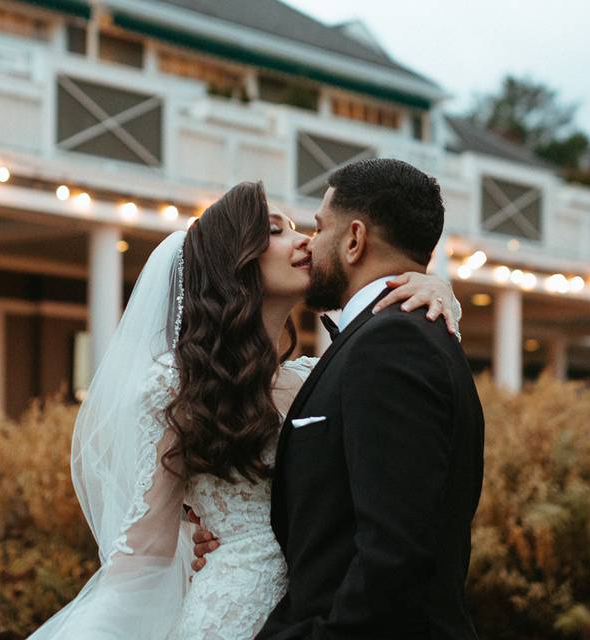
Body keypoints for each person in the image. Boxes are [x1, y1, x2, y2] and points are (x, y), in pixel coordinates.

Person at [28, 178, 461, 639]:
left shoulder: (321, 374)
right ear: (233, 259)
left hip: (319, 613)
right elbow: (142, 554)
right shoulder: (177, 383)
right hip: (231, 614)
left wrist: (434, 285)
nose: (304, 241)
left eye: (300, 227)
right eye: (275, 230)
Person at [195, 159, 485, 639]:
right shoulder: (393, 338)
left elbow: (396, 552)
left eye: (317, 227)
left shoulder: (392, 345)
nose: (309, 242)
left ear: (354, 239)